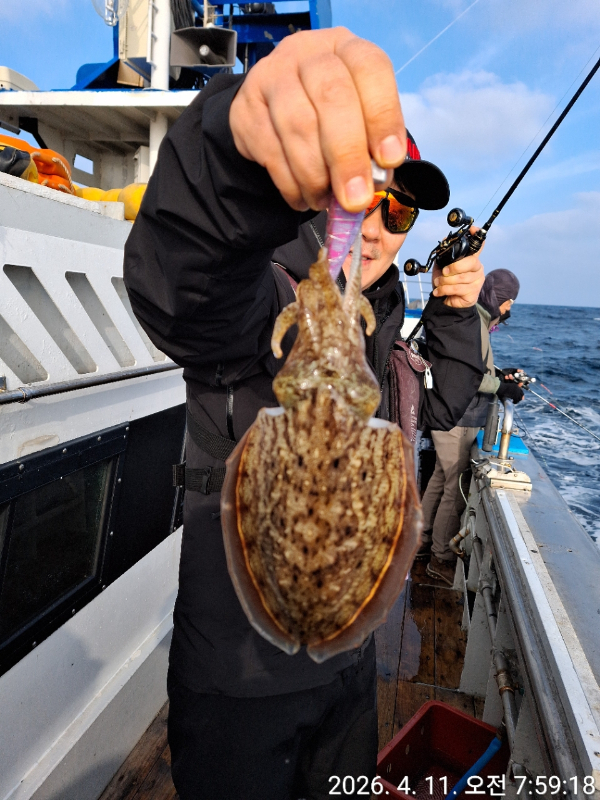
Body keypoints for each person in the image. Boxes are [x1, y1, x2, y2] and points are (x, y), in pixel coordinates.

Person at [124, 28, 486, 800]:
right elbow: (183, 282)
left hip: (351, 665)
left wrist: (457, 315)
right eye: (368, 195)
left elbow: (441, 405)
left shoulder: (384, 324)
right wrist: (230, 148)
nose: (381, 223)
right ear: (323, 193)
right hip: (241, 677)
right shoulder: (258, 299)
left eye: (401, 209)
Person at [422, 268, 523, 586]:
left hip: (453, 413)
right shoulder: (475, 320)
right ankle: (440, 557)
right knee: (453, 487)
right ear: (503, 299)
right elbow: (468, 376)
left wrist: (500, 374)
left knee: (441, 478)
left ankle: (420, 540)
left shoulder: (477, 317)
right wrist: (503, 387)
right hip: (457, 415)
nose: (508, 309)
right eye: (510, 302)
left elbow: (472, 366)